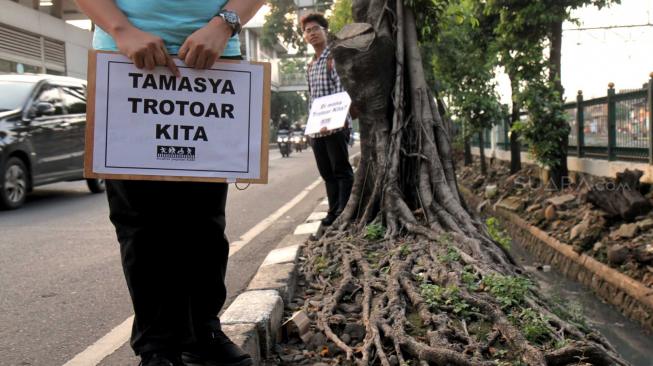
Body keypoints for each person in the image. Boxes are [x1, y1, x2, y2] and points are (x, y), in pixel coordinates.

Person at [74, 1, 264, 365]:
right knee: (140, 225)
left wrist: (224, 25)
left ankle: (202, 333)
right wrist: (122, 30)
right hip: (125, 61)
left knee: (204, 222)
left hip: (214, 62)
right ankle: (156, 347)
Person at [302, 13, 354, 226]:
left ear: (325, 31)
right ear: (304, 37)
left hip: (335, 127)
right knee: (327, 173)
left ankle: (344, 212)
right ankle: (332, 212)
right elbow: (312, 99)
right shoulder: (311, 65)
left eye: (315, 29)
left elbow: (342, 94)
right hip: (316, 130)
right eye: (307, 31)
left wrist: (333, 122)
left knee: (341, 170)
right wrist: (310, 128)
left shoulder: (334, 59)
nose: (312, 33)